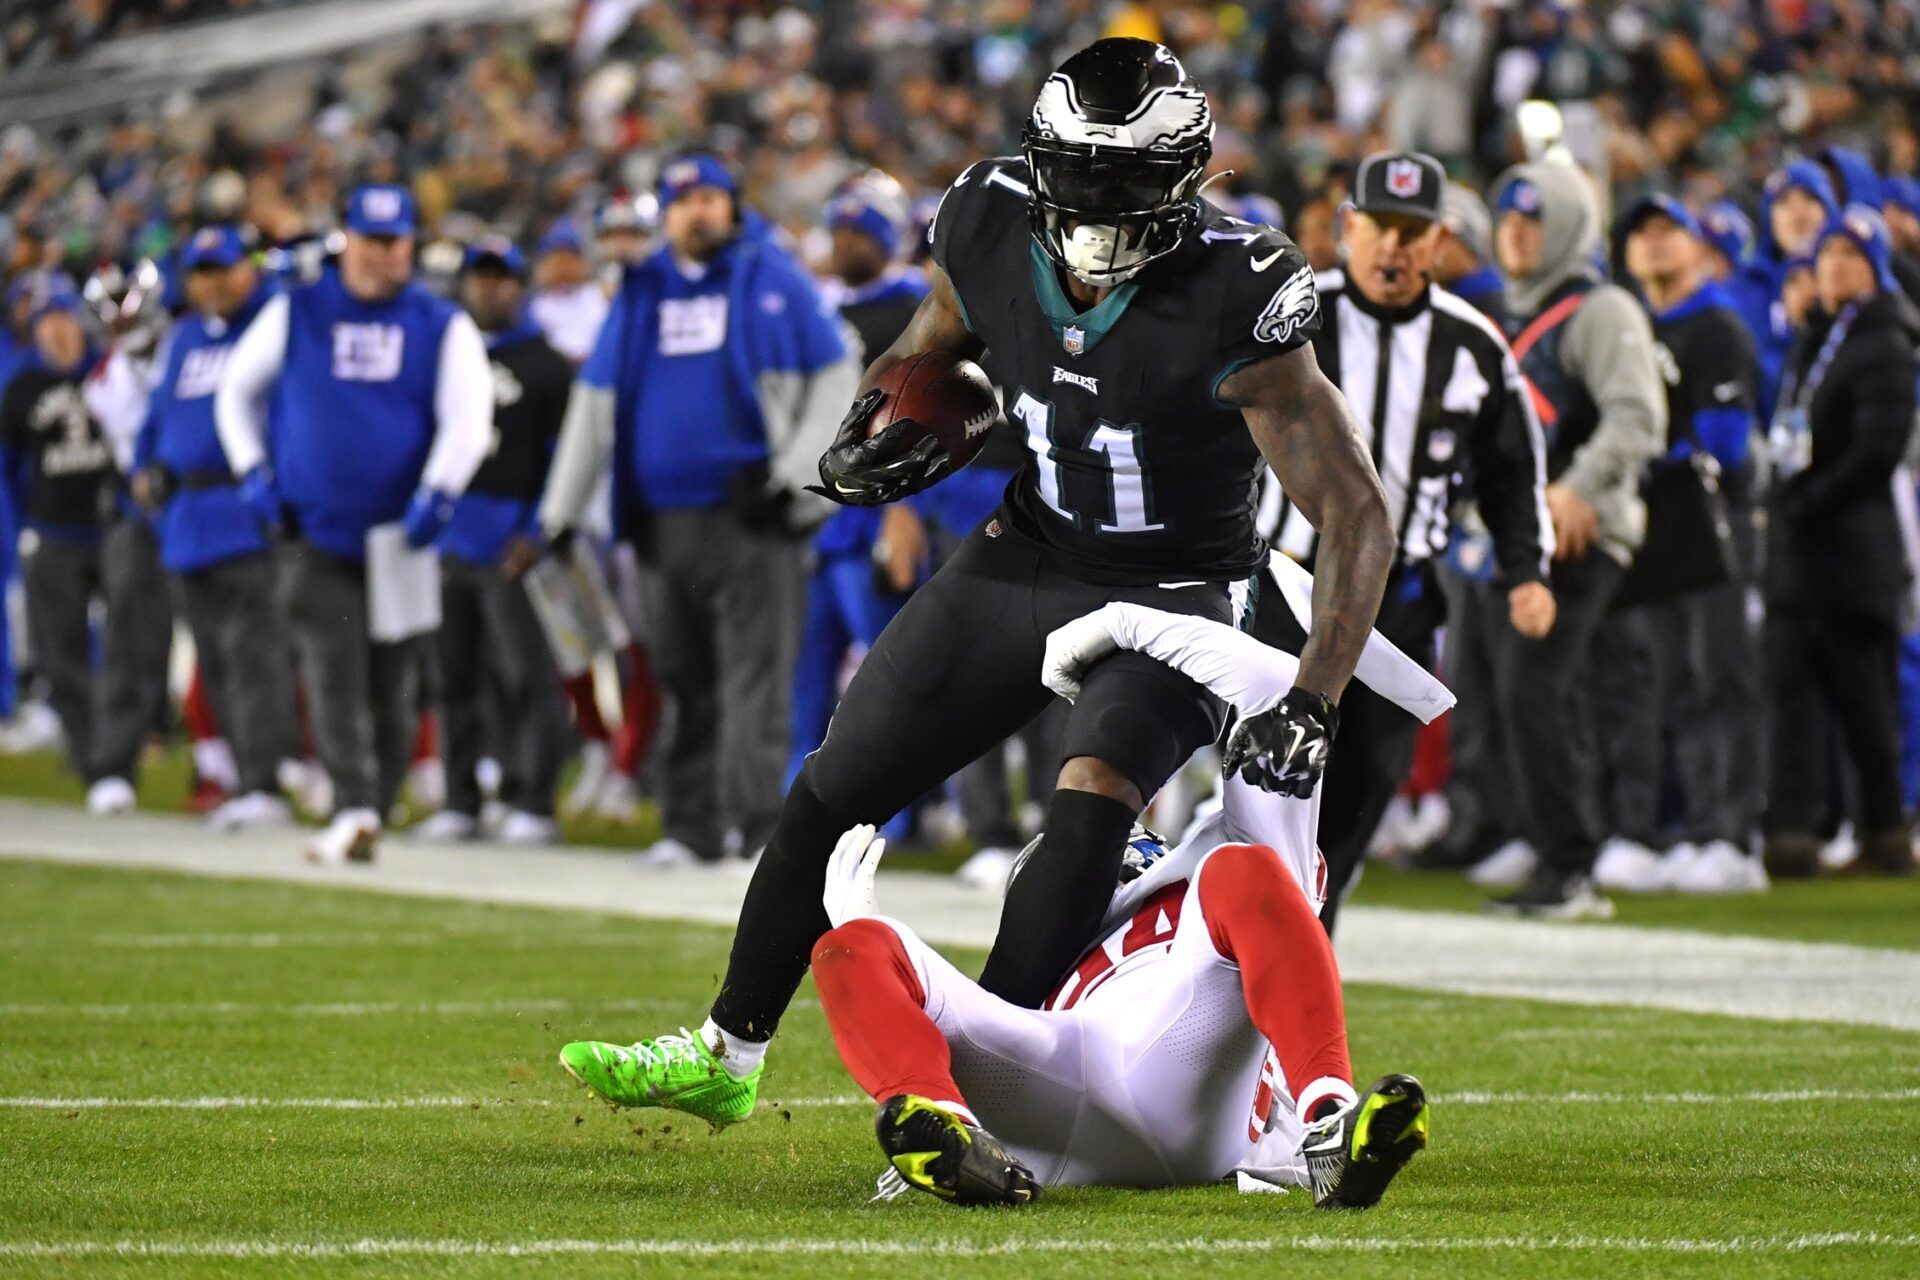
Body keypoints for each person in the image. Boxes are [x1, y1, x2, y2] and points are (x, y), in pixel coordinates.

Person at [554, 39, 1393, 1129]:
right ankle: (729, 1047)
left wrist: (1314, 692)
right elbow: (932, 345)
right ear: (1044, 162)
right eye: (1083, 175)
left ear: (1183, 172)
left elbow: (1355, 508)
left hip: (1177, 583)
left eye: (1126, 180)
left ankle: (981, 1095)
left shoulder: (1240, 289)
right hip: (1029, 553)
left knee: (1093, 793)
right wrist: (893, 417)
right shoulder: (986, 215)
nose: (1099, 206)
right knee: (837, 781)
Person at [796, 600, 1445, 1207]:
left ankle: (1329, 1122)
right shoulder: (1050, 954)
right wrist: (862, 930)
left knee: (1245, 870)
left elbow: (1275, 682)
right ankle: (942, 1128)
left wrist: (1126, 623)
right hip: (1058, 1075)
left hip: (1196, 1076)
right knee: (847, 944)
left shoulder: (1226, 854)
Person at [538, 153, 858, 867]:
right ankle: (690, 826)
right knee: (681, 677)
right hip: (661, 519)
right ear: (667, 215)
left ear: (733, 207)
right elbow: (594, 402)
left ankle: (753, 827)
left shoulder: (773, 277)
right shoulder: (642, 288)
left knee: (755, 679)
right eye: (683, 201)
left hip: (754, 517)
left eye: (710, 198)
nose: (698, 212)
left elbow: (837, 380)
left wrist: (794, 481)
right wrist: (561, 509)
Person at [1264, 150, 1552, 930]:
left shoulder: (1474, 345)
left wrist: (1527, 570)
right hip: (1284, 594)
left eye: (1412, 232)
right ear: (1348, 226)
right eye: (1379, 227)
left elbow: (1512, 472)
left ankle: (1297, 985)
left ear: (1439, 240)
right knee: (1262, 801)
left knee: (1354, 807)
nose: (1392, 247)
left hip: (1401, 607)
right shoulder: (1290, 314)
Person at [216, 183, 493, 864]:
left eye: (394, 241)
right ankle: (354, 803)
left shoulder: (438, 320)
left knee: (394, 680)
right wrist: (252, 468)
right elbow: (235, 391)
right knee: (332, 668)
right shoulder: (300, 308)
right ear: (348, 242)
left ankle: (376, 800)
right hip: (317, 529)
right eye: (371, 241)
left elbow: (469, 415)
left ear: (411, 245)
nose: (383, 255)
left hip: (400, 534)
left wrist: (440, 489)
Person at [1475, 161, 1665, 916]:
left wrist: (1576, 490)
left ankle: (1572, 860)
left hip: (1581, 534)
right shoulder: (1501, 313)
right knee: (1523, 692)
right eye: (1508, 219)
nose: (1518, 233)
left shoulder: (1602, 308)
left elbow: (1638, 415)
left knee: (1537, 686)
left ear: (1569, 226)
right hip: (1516, 539)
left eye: (1535, 219)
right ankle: (1554, 842)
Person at [1593, 195, 1766, 894]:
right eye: (1643, 234)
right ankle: (1688, 827)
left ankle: (1733, 835)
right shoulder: (1631, 326)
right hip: (1656, 525)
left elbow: (1724, 441)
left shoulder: (1718, 325)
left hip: (1711, 520)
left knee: (1720, 674)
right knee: (1668, 682)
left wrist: (1646, 455)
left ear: (1700, 248)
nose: (1655, 244)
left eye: (1671, 232)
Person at [1762, 205, 1919, 878]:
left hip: (1852, 550)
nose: (1836, 266)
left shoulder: (1885, 340)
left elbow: (1878, 450)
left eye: (1853, 255)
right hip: (1801, 552)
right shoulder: (1815, 338)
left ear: (1877, 268)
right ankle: (1794, 832)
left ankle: (1884, 830)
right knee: (1790, 690)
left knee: (1863, 697)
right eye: (1828, 254)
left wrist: (1808, 500)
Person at [132, 225, 301, 830]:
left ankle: (265, 781)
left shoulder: (274, 324)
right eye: (202, 272)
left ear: (248, 269)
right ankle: (236, 775)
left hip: (245, 514)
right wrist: (142, 468)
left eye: (225, 269)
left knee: (252, 656)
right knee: (215, 660)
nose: (215, 282)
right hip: (187, 521)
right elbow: (157, 416)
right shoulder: (182, 338)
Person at [412, 236, 575, 844]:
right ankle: (461, 799)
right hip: (448, 537)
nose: (490, 288)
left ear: (521, 286)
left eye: (502, 278)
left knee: (525, 675)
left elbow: (564, 458)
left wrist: (540, 530)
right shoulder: (442, 357)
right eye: (480, 278)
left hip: (511, 540)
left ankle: (532, 798)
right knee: (451, 675)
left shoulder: (546, 364)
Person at [787, 184, 929, 808]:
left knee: (886, 673)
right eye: (839, 233)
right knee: (806, 675)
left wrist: (903, 507)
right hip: (817, 512)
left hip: (875, 510)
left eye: (861, 234)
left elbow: (921, 412)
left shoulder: (913, 306)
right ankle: (801, 805)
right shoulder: (818, 308)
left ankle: (893, 811)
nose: (846, 245)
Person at [0, 284, 135, 798]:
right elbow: (9, 468)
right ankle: (92, 763)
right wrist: (28, 525)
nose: (56, 328)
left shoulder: (109, 370)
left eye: (64, 317)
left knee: (127, 648)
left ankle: (119, 758)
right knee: (63, 655)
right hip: (53, 533)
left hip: (112, 530)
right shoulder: (22, 387)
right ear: (34, 328)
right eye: (45, 319)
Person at [77, 260, 175, 816]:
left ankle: (244, 768)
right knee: (127, 638)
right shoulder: (103, 384)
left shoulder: (185, 346)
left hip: (206, 506)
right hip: (144, 516)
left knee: (236, 640)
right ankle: (114, 765)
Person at [529, 220, 608, 365]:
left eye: (569, 257)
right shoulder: (535, 307)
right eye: (556, 257)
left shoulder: (597, 296)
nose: (563, 265)